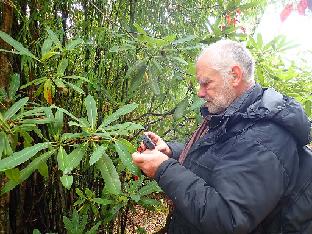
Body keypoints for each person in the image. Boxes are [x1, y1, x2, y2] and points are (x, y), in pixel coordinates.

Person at [132, 39, 311, 234]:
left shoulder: (264, 137)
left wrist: (164, 169)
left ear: (234, 75)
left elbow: (228, 219)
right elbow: (217, 159)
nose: (199, 93)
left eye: (206, 83)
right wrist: (170, 152)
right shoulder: (239, 115)